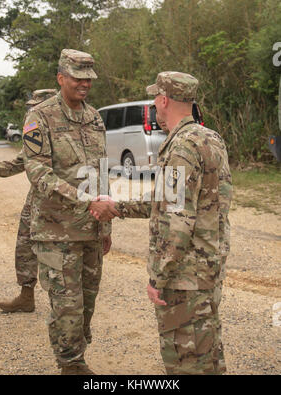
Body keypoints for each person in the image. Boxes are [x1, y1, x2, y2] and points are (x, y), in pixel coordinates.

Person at [92, 71, 233, 375]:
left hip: (184, 277)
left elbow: (177, 218)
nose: (155, 107)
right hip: (208, 268)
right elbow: (174, 200)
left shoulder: (181, 146)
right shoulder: (210, 138)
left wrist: (160, 276)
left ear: (164, 99)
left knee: (185, 358)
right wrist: (118, 207)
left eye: (156, 99)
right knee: (207, 350)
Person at [22, 49, 119, 375]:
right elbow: (38, 172)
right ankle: (71, 365)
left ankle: (76, 351)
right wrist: (84, 200)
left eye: (88, 78)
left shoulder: (94, 118)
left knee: (87, 304)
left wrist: (105, 223)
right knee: (67, 306)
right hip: (55, 230)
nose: (84, 84)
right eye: (77, 77)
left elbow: (102, 171)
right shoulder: (40, 117)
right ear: (61, 78)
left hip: (91, 228)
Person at [0, 89, 57, 313]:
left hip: (59, 201)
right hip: (35, 199)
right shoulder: (34, 136)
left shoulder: (64, 135)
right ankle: (26, 296)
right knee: (25, 245)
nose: (30, 111)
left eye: (35, 107)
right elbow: (18, 163)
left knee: (60, 249)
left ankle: (65, 302)